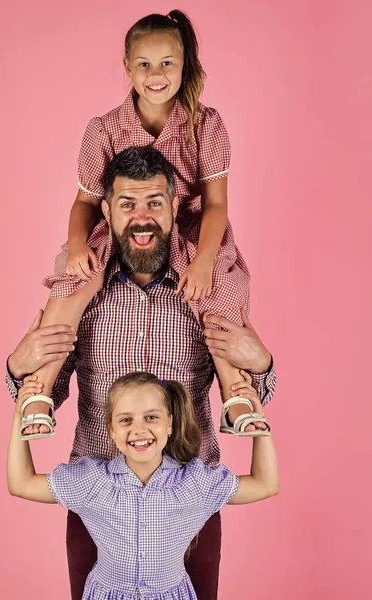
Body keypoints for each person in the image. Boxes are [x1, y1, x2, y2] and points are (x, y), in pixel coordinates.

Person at [6, 145, 277, 599]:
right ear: (107, 210)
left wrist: (262, 361)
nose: (142, 217)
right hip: (98, 502)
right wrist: (19, 365)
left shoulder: (204, 288)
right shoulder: (83, 289)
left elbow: (250, 396)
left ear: (174, 206)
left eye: (154, 202)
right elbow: (42, 391)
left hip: (188, 499)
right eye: (127, 204)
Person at [20, 9, 265, 439]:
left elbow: (216, 204)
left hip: (189, 228)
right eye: (145, 64)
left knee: (220, 294)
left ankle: (237, 392)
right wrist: (78, 245)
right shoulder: (104, 128)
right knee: (72, 283)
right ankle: (39, 387)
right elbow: (85, 201)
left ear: (184, 63)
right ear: (127, 67)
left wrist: (205, 260)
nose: (156, 74)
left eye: (167, 63)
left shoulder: (205, 125)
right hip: (116, 231)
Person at [8, 370, 279, 600]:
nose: (139, 430)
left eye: (151, 417)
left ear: (170, 424)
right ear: (111, 430)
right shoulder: (91, 481)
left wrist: (258, 420)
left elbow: (265, 484)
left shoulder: (194, 482)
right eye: (126, 420)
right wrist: (20, 415)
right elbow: (21, 484)